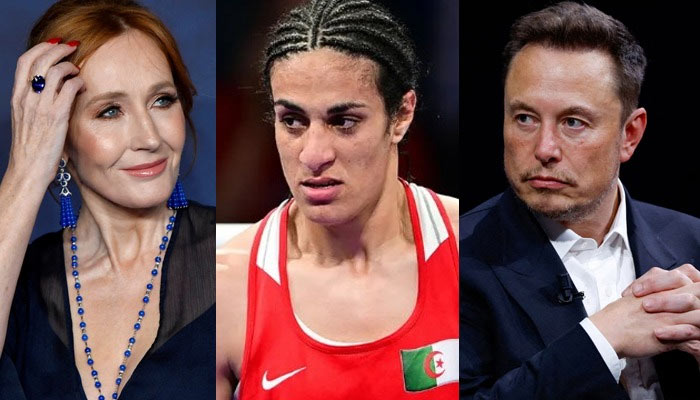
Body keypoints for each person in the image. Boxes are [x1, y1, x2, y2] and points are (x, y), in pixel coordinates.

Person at [216, 0, 459, 398]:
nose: (313, 155)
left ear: (401, 115)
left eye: (343, 121)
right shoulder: (226, 290)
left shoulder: (477, 246)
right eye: (292, 121)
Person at [460, 2, 700, 399]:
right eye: (525, 118)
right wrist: (602, 340)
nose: (544, 149)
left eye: (573, 122)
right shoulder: (452, 259)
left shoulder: (693, 241)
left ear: (629, 135)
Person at [0, 1, 214, 399]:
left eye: (162, 100)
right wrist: (24, 172)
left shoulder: (236, 255)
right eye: (111, 111)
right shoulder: (19, 284)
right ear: (58, 136)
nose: (150, 138)